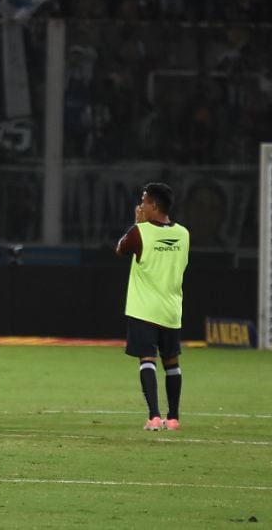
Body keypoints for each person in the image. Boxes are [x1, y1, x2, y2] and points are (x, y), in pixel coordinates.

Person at [116, 182, 189, 431]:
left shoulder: (141, 233)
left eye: (144, 201)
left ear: (153, 206)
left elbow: (120, 249)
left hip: (145, 309)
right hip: (171, 309)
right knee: (172, 362)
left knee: (147, 359)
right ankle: (174, 418)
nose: (141, 205)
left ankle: (154, 417)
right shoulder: (183, 234)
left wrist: (137, 223)